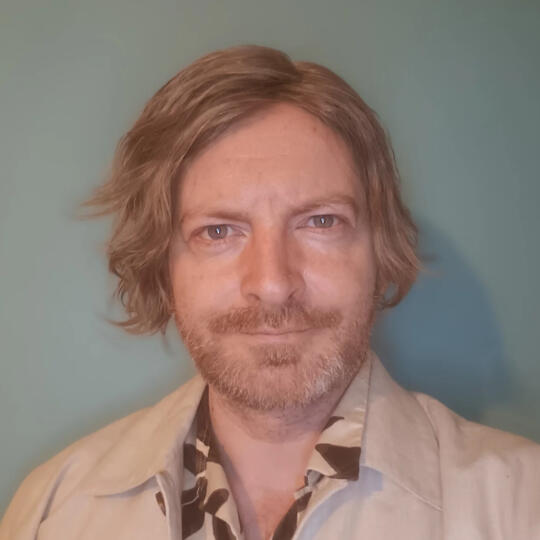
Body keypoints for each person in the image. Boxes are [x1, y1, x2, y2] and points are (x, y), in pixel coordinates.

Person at [1, 44, 539, 540]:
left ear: (381, 250)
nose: (273, 284)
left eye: (321, 221)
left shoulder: (523, 506)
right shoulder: (54, 513)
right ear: (163, 267)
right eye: (218, 231)